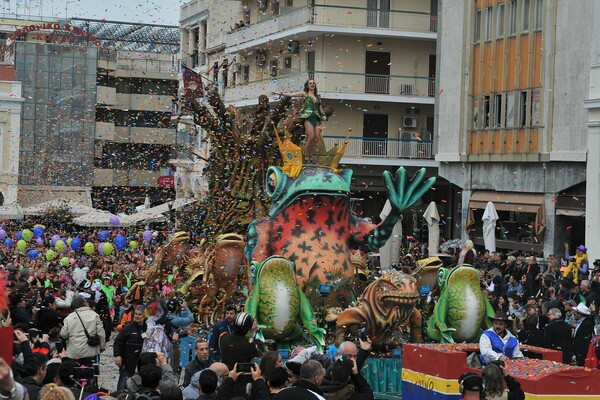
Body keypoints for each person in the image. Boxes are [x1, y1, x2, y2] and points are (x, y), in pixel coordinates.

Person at [281, 79, 327, 163]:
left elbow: (320, 107)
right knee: (311, 137)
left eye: (313, 83)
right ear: (307, 85)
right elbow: (292, 94)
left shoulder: (317, 97)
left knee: (316, 138)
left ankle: (311, 156)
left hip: (316, 118)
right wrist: (280, 93)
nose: (312, 84)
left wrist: (323, 115)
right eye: (310, 83)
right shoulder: (305, 94)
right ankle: (307, 156)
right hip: (308, 117)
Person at [60, 294, 105, 367]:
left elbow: (64, 334)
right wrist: (102, 346)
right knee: (90, 370)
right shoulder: (94, 315)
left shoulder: (69, 318)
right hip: (91, 350)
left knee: (76, 371)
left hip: (74, 351)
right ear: (84, 303)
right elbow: (101, 333)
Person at [113, 305, 146, 390]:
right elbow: (117, 342)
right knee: (122, 387)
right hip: (127, 363)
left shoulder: (148, 327)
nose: (137, 316)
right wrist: (117, 355)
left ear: (144, 315)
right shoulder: (128, 328)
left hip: (142, 364)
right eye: (135, 314)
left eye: (139, 314)